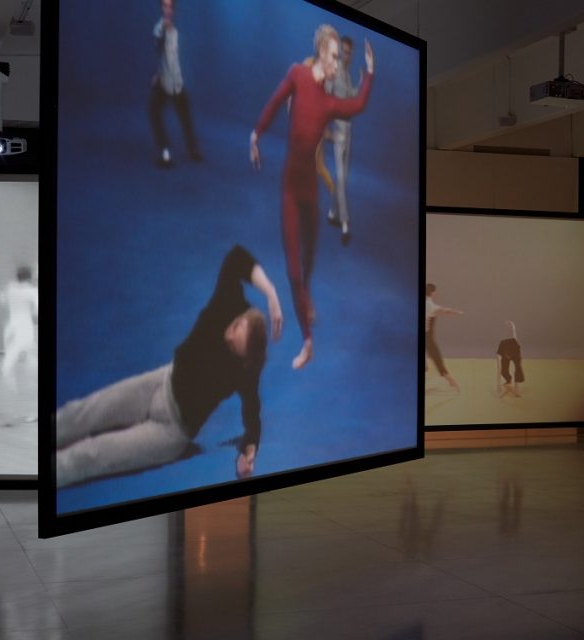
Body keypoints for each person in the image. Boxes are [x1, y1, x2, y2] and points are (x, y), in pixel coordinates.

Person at [56, 245, 283, 487]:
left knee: (92, 454)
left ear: (244, 358)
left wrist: (248, 455)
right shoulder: (228, 303)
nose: (228, 335)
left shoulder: (246, 370)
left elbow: (252, 420)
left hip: (171, 431)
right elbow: (237, 257)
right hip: (158, 383)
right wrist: (271, 294)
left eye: (234, 345)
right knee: (81, 412)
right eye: (234, 327)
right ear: (242, 316)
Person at [251, 25, 374, 369]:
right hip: (291, 190)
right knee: (292, 271)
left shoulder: (330, 102)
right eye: (335, 57)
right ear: (322, 51)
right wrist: (255, 135)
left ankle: (306, 296)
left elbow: (359, 105)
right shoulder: (297, 74)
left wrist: (371, 73)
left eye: (340, 58)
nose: (338, 64)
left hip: (311, 194)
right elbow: (275, 103)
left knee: (308, 262)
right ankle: (308, 341)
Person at [149, 0, 202, 167]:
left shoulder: (177, 31)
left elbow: (171, 59)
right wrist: (159, 74)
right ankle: (165, 154)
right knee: (153, 112)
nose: (168, 10)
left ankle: (193, 150)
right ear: (161, 9)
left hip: (177, 83)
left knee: (185, 117)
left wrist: (157, 72)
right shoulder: (159, 28)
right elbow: (158, 47)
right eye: (165, 6)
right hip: (165, 83)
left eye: (170, 6)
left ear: (174, 9)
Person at [325, 36, 359, 246]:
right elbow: (326, 99)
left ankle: (331, 212)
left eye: (349, 52)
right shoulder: (333, 72)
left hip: (348, 130)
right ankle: (345, 225)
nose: (346, 55)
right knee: (340, 176)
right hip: (337, 130)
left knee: (342, 178)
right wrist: (327, 130)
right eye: (343, 51)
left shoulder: (346, 74)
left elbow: (350, 98)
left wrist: (363, 83)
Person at [0, 265, 39, 423]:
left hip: (12, 331)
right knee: (31, 373)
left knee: (8, 368)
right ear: (29, 277)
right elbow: (37, 313)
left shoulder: (11, 289)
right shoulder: (32, 292)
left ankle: (11, 412)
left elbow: (3, 299)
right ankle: (32, 411)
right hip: (25, 332)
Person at [425, 283, 462, 391]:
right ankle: (451, 381)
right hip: (427, 338)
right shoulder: (431, 305)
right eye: (435, 291)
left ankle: (449, 380)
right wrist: (457, 312)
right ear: (432, 293)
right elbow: (445, 311)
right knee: (437, 358)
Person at [496, 321, 524, 397]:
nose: (509, 358)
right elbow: (499, 370)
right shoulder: (501, 350)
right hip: (504, 353)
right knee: (503, 370)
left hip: (514, 354)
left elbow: (515, 337)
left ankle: (516, 387)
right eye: (508, 356)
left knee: (518, 369)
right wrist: (498, 386)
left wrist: (513, 327)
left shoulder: (516, 347)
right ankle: (508, 380)